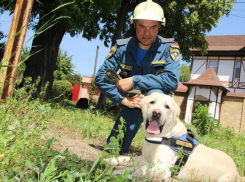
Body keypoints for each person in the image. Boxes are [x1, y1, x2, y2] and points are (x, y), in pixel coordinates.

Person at [95, 0, 180, 154]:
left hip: (158, 104)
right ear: (134, 25)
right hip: (133, 102)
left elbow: (171, 81)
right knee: (112, 150)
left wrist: (134, 81)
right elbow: (101, 77)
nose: (147, 33)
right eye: (142, 26)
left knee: (155, 95)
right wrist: (123, 100)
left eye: (153, 27)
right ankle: (116, 149)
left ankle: (161, 150)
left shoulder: (169, 48)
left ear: (160, 26)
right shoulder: (122, 47)